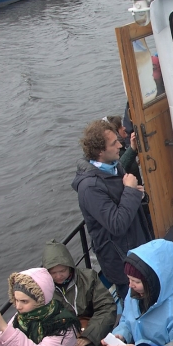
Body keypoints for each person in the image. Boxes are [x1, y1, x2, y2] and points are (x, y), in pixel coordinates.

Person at [72, 119, 150, 298]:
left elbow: (123, 201)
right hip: (122, 262)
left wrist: (137, 194)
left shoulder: (114, 166)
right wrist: (130, 191)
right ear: (100, 151)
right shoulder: (90, 187)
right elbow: (117, 224)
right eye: (114, 143)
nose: (119, 145)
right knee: (134, 304)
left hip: (137, 249)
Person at [42, 239, 117, 346]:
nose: (58, 276)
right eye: (53, 273)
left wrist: (88, 337)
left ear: (70, 266)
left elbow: (106, 307)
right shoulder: (43, 291)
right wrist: (68, 337)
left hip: (94, 334)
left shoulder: (89, 278)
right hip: (65, 345)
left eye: (62, 270)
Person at [108, 239, 173, 346]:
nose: (130, 285)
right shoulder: (133, 294)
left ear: (153, 281)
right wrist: (121, 334)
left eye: (137, 281)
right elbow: (126, 321)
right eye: (129, 279)